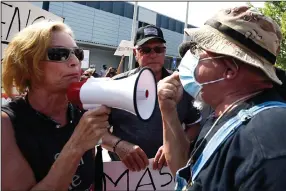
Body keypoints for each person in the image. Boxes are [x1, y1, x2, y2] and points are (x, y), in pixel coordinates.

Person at [157, 6, 286, 190]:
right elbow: (185, 170)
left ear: (229, 70)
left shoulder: (266, 139)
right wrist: (168, 111)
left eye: (198, 50)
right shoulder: (226, 115)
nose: (190, 60)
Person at [1, 21, 110, 191]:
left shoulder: (80, 112)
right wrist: (76, 146)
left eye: (77, 53)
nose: (75, 62)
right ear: (28, 65)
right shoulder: (7, 124)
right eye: (59, 54)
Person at [101, 24, 201, 172]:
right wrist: (118, 145)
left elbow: (195, 125)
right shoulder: (116, 85)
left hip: (168, 173)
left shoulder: (181, 84)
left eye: (158, 49)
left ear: (164, 52)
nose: (153, 54)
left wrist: (173, 145)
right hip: (123, 175)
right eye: (145, 50)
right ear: (136, 53)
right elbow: (96, 130)